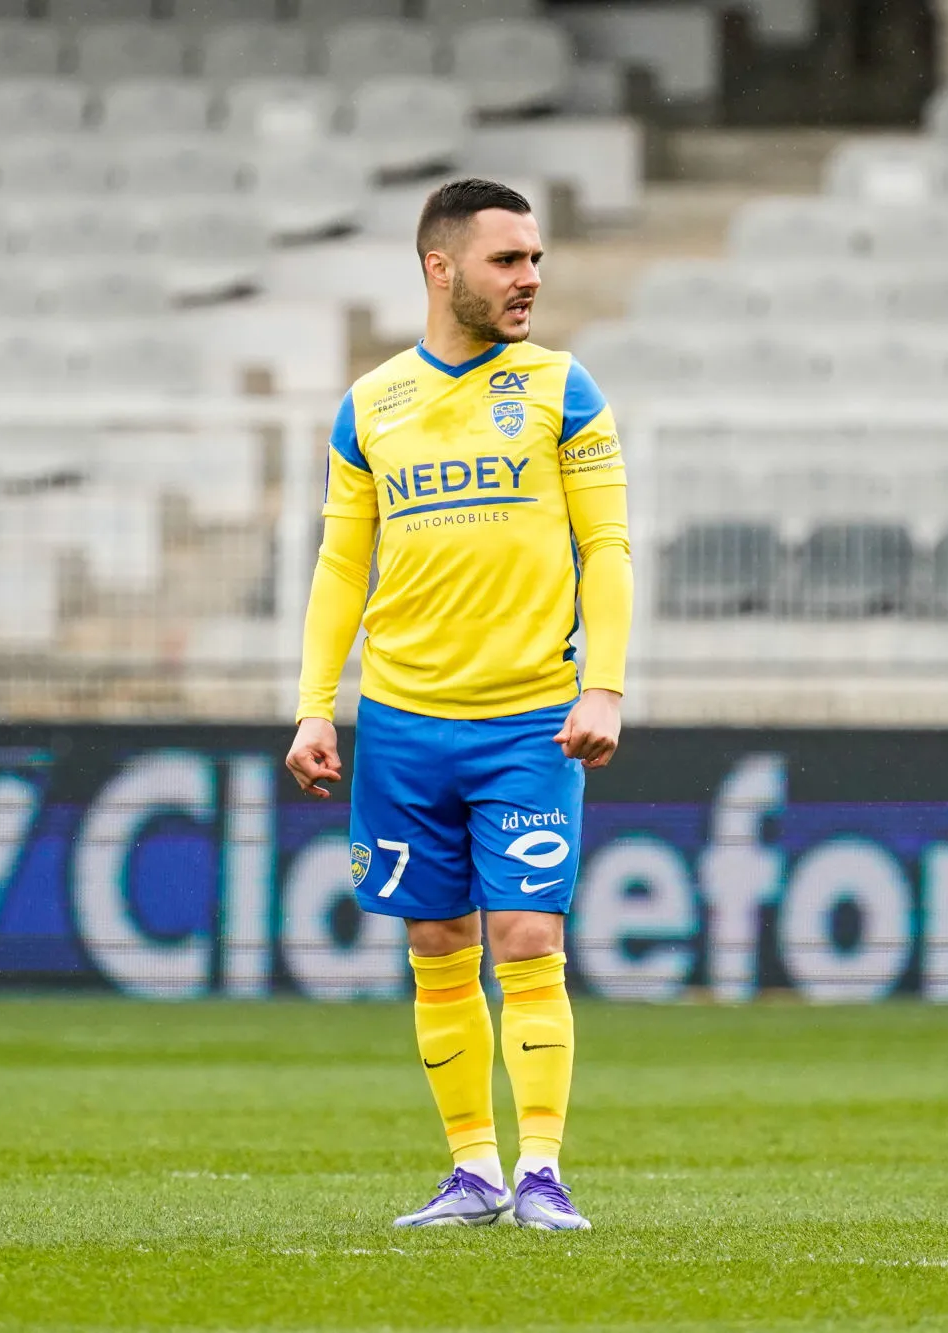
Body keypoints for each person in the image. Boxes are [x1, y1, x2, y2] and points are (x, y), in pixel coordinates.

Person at [284, 178, 632, 1229]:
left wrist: (603, 686)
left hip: (529, 718)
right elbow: (343, 564)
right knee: (436, 944)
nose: (529, 277)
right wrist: (313, 707)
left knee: (525, 934)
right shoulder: (370, 406)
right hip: (400, 723)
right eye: (507, 260)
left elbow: (605, 546)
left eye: (534, 258)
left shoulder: (563, 391)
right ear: (441, 269)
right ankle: (473, 1170)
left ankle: (542, 1173)